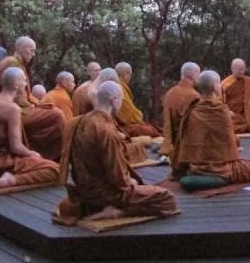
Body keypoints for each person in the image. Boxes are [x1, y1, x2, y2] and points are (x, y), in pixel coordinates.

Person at [56, 81, 179, 223]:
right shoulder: (105, 130)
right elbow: (118, 178)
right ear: (114, 101)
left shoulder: (80, 121)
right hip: (107, 193)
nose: (121, 104)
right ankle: (117, 211)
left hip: (84, 189)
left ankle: (93, 207)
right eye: (121, 100)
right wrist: (132, 182)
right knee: (167, 199)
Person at [0, 67, 59, 192]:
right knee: (56, 170)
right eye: (24, 81)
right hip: (3, 161)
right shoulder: (12, 109)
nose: (25, 84)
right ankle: (12, 179)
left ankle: (10, 176)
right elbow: (16, 147)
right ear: (15, 84)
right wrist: (33, 154)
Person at [173, 70, 250, 183]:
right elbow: (230, 146)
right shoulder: (220, 111)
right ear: (215, 86)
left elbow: (184, 141)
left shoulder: (191, 110)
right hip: (222, 169)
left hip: (195, 167)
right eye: (219, 83)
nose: (221, 86)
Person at [0, 36, 65, 161]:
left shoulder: (19, 64)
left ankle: (46, 155)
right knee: (57, 116)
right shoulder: (12, 63)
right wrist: (32, 106)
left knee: (53, 110)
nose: (33, 54)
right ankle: (51, 158)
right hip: (11, 109)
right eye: (31, 50)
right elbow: (16, 95)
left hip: (20, 106)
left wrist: (38, 103)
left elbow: (27, 95)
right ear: (20, 48)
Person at [160, 62, 201, 161]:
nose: (199, 77)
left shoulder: (170, 93)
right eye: (199, 74)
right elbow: (197, 126)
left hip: (172, 141)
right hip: (187, 142)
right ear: (193, 74)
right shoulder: (194, 96)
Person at [115, 62, 160, 137]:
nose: (130, 78)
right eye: (130, 75)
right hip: (123, 126)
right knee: (150, 130)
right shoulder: (119, 87)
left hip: (122, 124)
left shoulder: (117, 85)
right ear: (126, 74)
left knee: (153, 129)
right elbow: (129, 113)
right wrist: (139, 115)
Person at [221, 58, 250, 134]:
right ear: (232, 69)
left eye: (243, 69)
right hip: (234, 117)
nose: (242, 71)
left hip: (249, 115)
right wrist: (227, 111)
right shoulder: (225, 84)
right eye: (239, 69)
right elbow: (220, 101)